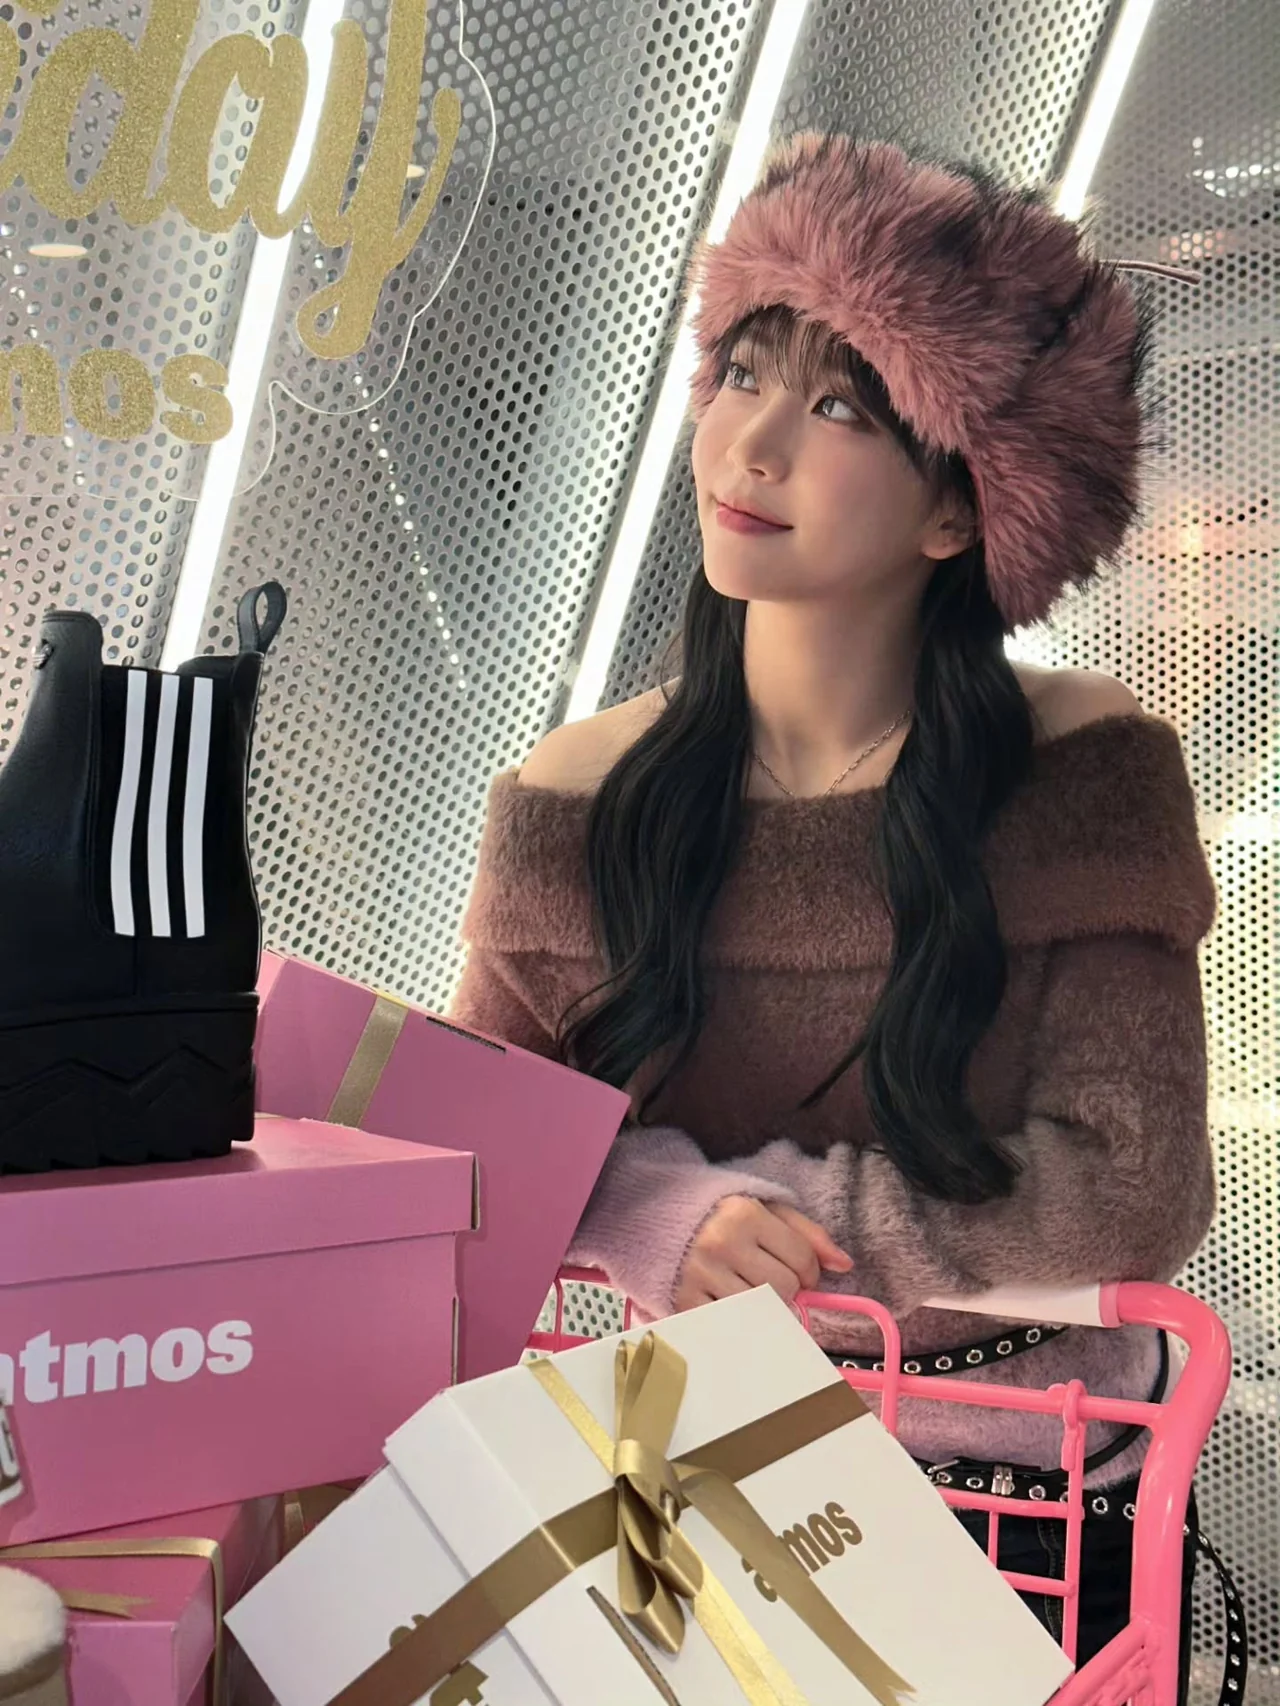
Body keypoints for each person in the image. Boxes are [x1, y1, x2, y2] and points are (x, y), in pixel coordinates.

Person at [449, 136, 1229, 1696]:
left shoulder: (1080, 769)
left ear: (959, 509)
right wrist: (671, 1216)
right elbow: (485, 1145)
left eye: (839, 409)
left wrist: (800, 1232)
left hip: (1016, 1483)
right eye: (742, 371)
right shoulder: (578, 791)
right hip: (683, 1467)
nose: (749, 445)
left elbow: (1134, 1180)